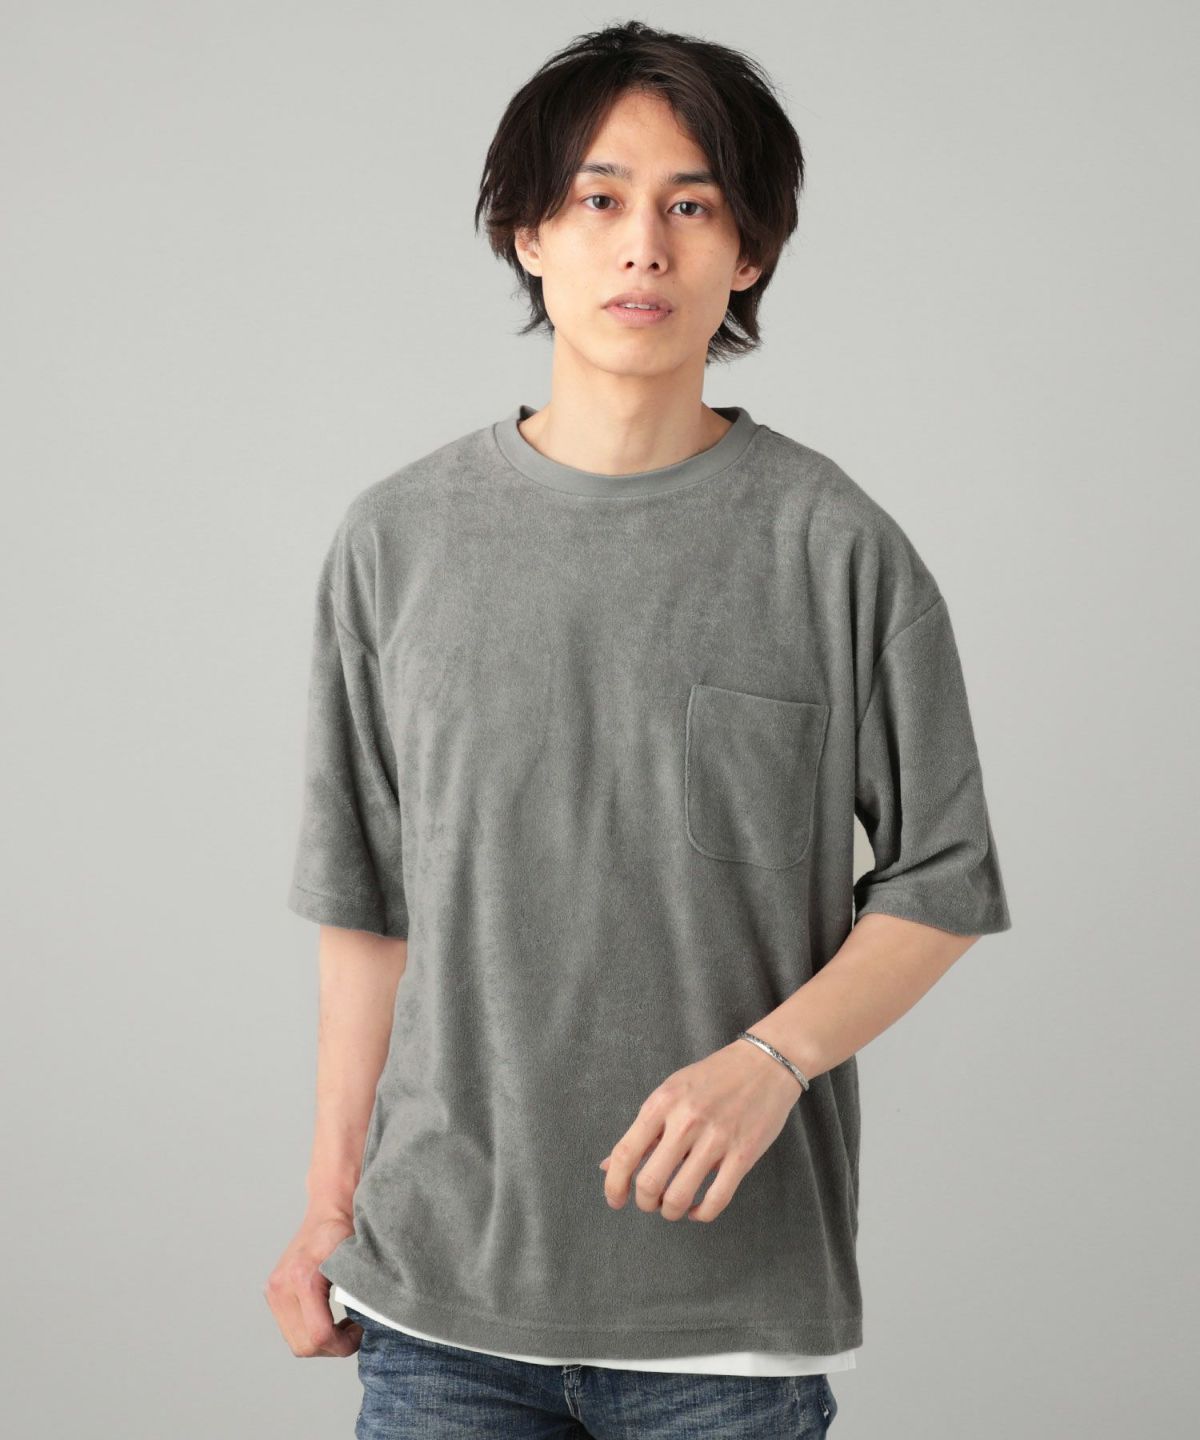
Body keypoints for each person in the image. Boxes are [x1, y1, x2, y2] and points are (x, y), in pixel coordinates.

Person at [264, 18, 1012, 1438]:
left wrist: (772, 1060)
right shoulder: (394, 543)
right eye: (598, 199)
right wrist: (324, 1208)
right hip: (436, 1306)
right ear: (529, 235)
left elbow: (945, 876)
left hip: (727, 1322)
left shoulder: (834, 546)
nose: (643, 248)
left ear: (751, 252)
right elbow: (366, 905)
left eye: (693, 206)